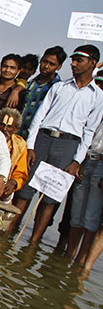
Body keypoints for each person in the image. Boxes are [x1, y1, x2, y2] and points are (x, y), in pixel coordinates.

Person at [15, 45, 103, 245]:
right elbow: (39, 118)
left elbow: (88, 132)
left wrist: (76, 161)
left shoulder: (98, 97)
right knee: (25, 190)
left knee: (50, 198)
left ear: (92, 64)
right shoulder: (59, 87)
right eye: (73, 59)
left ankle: (33, 244)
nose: (73, 64)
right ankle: (8, 232)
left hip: (68, 145)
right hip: (43, 139)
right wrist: (30, 146)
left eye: (79, 60)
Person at [66, 113, 103, 265]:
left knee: (91, 218)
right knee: (76, 215)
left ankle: (80, 262)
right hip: (87, 159)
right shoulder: (99, 104)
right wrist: (79, 160)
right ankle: (68, 256)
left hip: (101, 165)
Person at [18, 46, 66, 138]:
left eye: (51, 64)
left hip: (38, 138)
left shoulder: (59, 89)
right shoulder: (29, 84)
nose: (46, 66)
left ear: (59, 67)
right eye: (45, 61)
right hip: (18, 134)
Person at [0, 108, 29, 202]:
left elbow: (21, 174)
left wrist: (13, 183)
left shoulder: (20, 145)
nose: (4, 129)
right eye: (2, 124)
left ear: (16, 129)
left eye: (9, 126)